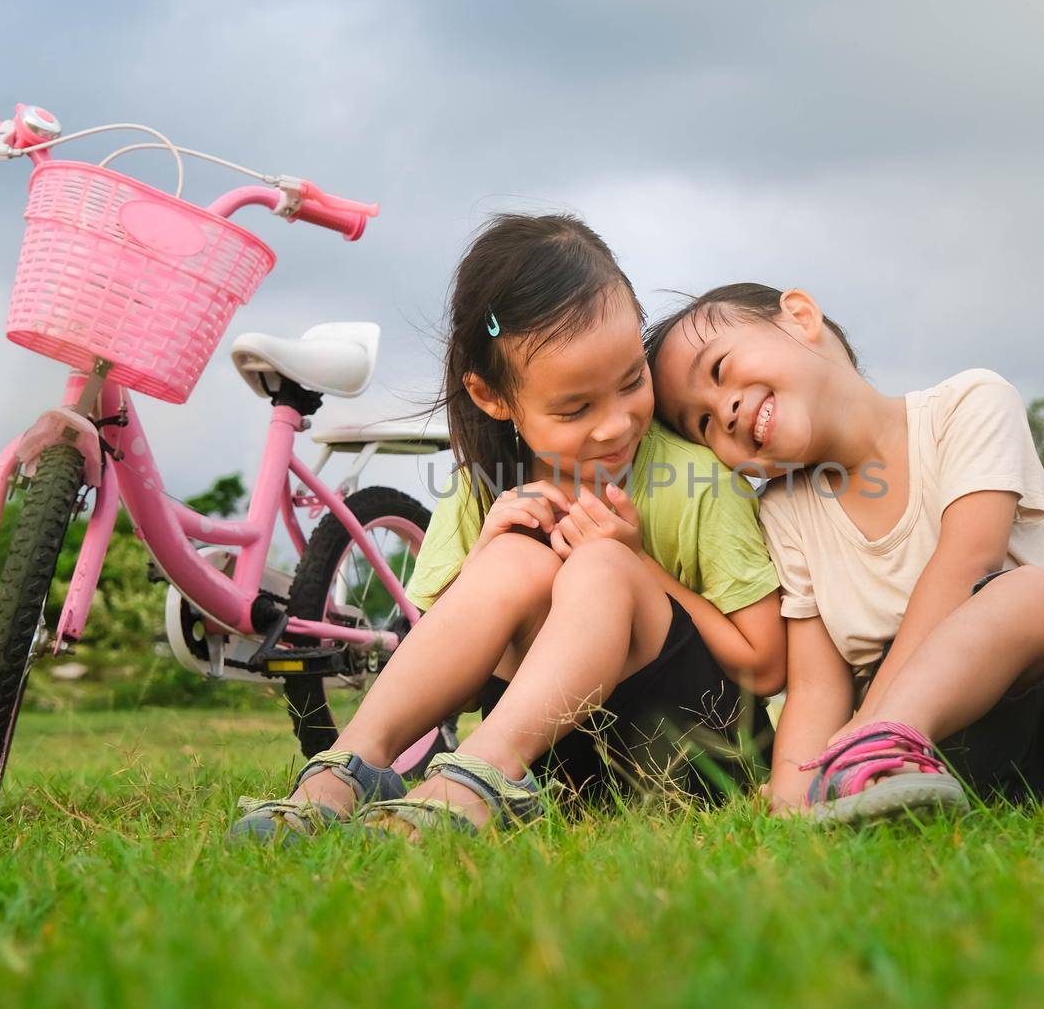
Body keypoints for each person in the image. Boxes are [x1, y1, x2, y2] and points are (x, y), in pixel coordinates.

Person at [230, 218, 784, 842]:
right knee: (512, 558)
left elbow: (766, 669)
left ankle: (475, 781)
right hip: (558, 777)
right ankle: (344, 771)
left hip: (696, 759)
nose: (615, 425)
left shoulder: (697, 481)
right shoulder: (487, 486)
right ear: (493, 397)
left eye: (633, 380)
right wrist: (486, 557)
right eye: (575, 408)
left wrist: (637, 566)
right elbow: (450, 687)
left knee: (600, 567)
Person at [645, 284, 1044, 824]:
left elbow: (966, 563)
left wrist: (864, 725)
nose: (722, 410)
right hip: (952, 747)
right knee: (1027, 594)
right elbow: (815, 687)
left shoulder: (967, 404)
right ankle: (883, 754)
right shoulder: (785, 509)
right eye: (701, 423)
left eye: (720, 369)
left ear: (800, 316)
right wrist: (790, 799)